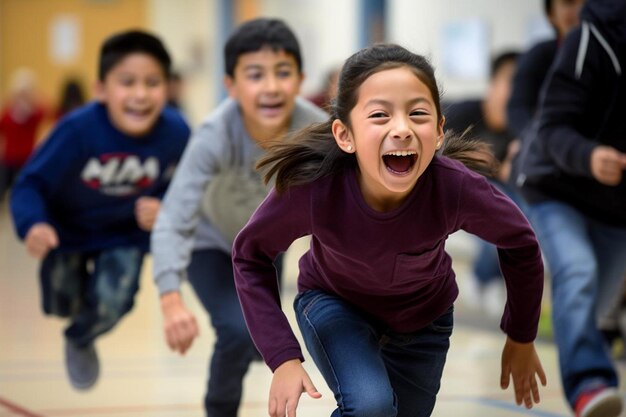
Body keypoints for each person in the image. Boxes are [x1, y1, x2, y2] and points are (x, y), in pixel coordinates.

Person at [232, 43, 547, 417]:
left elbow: (521, 243)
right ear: (344, 134)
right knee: (371, 407)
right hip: (334, 304)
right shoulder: (314, 189)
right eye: (380, 115)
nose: (402, 129)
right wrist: (282, 356)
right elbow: (250, 255)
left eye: (418, 114)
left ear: (440, 130)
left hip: (424, 319)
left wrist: (521, 335)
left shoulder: (454, 187)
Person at [151, 18, 327, 417]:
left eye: (283, 73)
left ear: (299, 80)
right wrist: (169, 297)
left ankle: (246, 344)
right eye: (255, 75)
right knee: (237, 330)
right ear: (230, 85)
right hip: (209, 245)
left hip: (264, 248)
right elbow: (174, 215)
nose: (270, 86)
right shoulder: (215, 134)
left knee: (254, 335)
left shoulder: (315, 131)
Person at [9, 30, 190, 391]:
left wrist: (166, 208)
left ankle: (79, 338)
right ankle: (73, 312)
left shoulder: (177, 132)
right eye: (127, 82)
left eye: (152, 83)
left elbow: (190, 189)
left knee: (113, 302)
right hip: (67, 229)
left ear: (166, 88)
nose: (140, 94)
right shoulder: (76, 130)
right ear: (101, 89)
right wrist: (34, 225)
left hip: (125, 234)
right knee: (62, 303)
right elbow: (29, 183)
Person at [514, 0, 626, 416]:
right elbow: (549, 125)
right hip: (555, 186)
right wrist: (589, 156)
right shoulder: (587, 42)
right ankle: (588, 385)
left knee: (591, 302)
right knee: (578, 272)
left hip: (616, 206)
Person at [444, 51, 520, 317]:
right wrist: (470, 157)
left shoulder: (519, 126)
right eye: (509, 81)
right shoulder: (463, 112)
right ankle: (484, 280)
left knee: (519, 216)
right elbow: (434, 150)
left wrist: (506, 166)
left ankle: (486, 279)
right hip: (457, 184)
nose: (513, 91)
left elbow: (508, 171)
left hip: (495, 186)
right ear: (493, 84)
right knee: (495, 217)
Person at [507, 0, 585, 138]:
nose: (581, 10)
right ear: (551, 15)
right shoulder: (538, 56)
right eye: (569, 3)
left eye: (588, 2)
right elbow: (518, 109)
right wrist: (539, 142)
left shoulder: (614, 54)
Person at [0, 68, 48, 202]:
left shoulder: (34, 112)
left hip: (27, 158)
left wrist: (33, 99)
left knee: (26, 188)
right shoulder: (8, 111)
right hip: (9, 158)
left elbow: (48, 112)